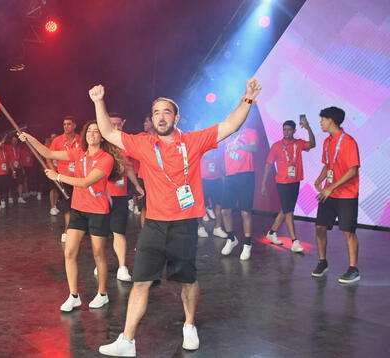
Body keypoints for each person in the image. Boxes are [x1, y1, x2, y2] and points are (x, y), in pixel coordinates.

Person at [94, 79, 262, 356]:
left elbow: (230, 126)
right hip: (154, 226)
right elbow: (109, 133)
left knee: (186, 280)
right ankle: (127, 340)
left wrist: (248, 98)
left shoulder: (193, 141)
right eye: (156, 112)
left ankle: (189, 325)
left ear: (176, 117)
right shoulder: (143, 144)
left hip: (184, 225)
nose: (161, 117)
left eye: (166, 112)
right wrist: (99, 102)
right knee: (141, 282)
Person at [19, 121, 124, 311]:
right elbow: (48, 153)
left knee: (98, 254)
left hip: (98, 211)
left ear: (102, 136)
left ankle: (102, 294)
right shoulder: (79, 153)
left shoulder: (106, 158)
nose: (92, 134)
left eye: (96, 131)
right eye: (89, 131)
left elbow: (85, 183)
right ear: (85, 135)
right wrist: (29, 139)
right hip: (78, 209)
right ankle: (74, 295)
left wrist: (57, 176)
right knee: (69, 252)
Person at [311, 107, 361, 284]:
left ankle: (353, 269)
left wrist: (331, 187)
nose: (321, 122)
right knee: (320, 227)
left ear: (331, 120)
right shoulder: (327, 141)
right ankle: (322, 262)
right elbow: (328, 165)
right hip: (328, 192)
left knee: (348, 232)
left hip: (346, 194)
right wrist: (319, 180)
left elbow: (352, 170)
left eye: (323, 119)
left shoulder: (348, 141)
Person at [95, 113, 144, 282]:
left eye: (119, 125)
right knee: (101, 234)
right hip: (102, 196)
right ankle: (100, 263)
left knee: (119, 231)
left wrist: (137, 185)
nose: (116, 128)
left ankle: (122, 267)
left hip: (121, 196)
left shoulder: (126, 144)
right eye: (113, 125)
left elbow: (129, 167)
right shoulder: (101, 145)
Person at [261, 117, 316, 252]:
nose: (286, 132)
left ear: (294, 131)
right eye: (284, 130)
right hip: (282, 182)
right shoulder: (276, 146)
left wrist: (308, 127)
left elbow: (312, 144)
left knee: (286, 209)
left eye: (289, 130)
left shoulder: (298, 143)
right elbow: (268, 165)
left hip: (295, 181)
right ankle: (294, 241)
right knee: (289, 211)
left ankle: (272, 232)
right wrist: (263, 184)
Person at [220, 122, 259, 260]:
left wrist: (241, 146)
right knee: (225, 211)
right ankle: (231, 239)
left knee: (245, 212)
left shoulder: (250, 131)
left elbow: (255, 147)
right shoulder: (228, 136)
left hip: (245, 175)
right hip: (230, 176)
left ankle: (247, 244)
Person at [48, 116, 82, 242]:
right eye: (64, 124)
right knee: (67, 207)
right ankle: (67, 231)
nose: (66, 126)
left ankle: (79, 230)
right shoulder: (57, 140)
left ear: (74, 125)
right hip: (64, 179)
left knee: (78, 207)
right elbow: (48, 157)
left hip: (79, 179)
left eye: (68, 124)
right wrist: (54, 172)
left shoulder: (81, 139)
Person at [198, 148, 228, 238]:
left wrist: (224, 179)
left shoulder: (219, 151)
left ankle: (217, 228)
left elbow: (222, 166)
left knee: (219, 204)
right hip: (203, 180)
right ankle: (200, 227)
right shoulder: (202, 151)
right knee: (200, 205)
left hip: (217, 181)